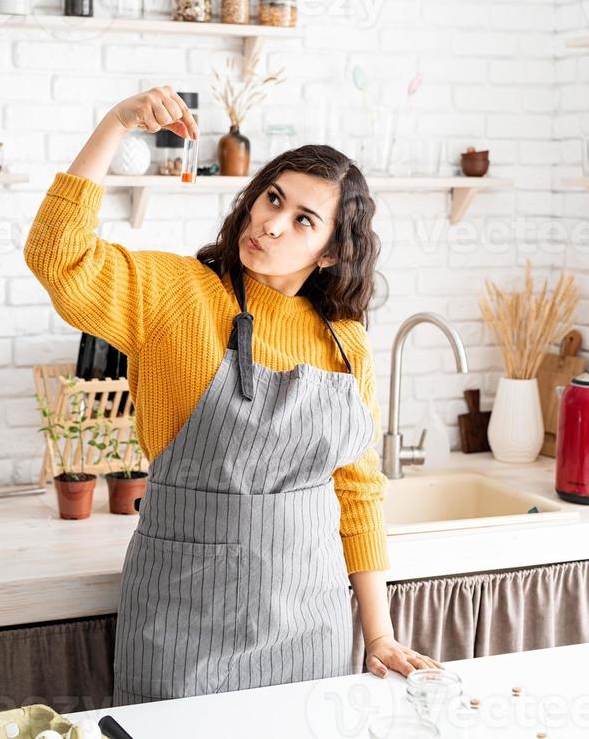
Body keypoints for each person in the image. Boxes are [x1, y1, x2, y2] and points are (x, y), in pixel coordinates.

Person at [24, 84, 442, 704]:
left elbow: (357, 492)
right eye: (272, 198)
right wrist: (116, 123)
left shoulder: (345, 342)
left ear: (329, 252)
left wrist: (378, 635)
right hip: (184, 616)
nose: (270, 224)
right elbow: (56, 257)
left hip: (313, 619)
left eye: (302, 219)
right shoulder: (175, 292)